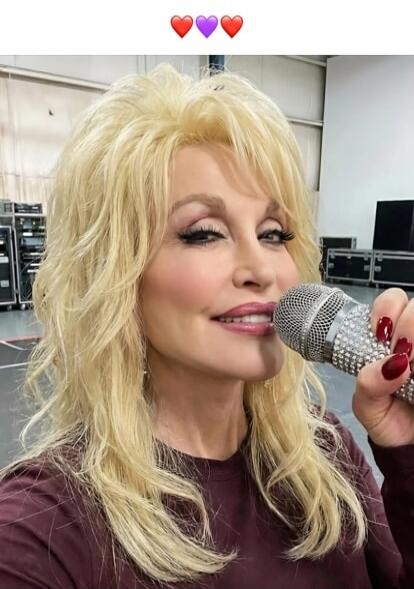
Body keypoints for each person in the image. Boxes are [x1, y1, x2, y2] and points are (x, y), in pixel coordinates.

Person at [0, 63, 413, 589]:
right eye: (204, 233)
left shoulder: (324, 453)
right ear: (115, 275)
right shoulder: (42, 531)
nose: (262, 268)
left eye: (273, 233)